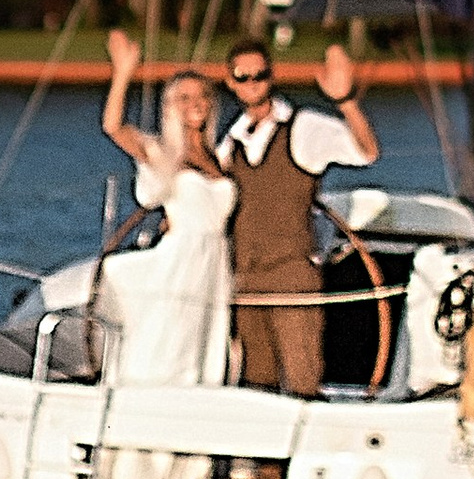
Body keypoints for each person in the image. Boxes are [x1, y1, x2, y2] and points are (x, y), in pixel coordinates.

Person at [217, 36, 379, 403]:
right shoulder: (230, 141)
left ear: (272, 76)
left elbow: (366, 152)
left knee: (302, 373)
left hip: (292, 273)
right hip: (245, 278)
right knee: (257, 381)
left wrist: (346, 101)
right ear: (230, 82)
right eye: (243, 77)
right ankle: (264, 462)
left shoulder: (303, 127)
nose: (252, 82)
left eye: (261, 74)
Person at [94, 26, 236, 391]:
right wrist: (124, 72)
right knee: (170, 341)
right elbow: (113, 126)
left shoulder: (220, 156)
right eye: (184, 97)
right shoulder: (162, 152)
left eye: (202, 96)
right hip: (181, 259)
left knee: (206, 342)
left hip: (215, 260)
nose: (195, 103)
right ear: (170, 105)